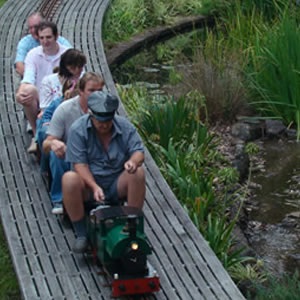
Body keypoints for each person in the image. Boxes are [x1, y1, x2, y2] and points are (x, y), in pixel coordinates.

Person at [62, 91, 146, 253]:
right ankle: (81, 234)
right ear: (91, 115)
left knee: (138, 173)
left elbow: (138, 152)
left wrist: (132, 162)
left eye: (108, 121)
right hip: (88, 184)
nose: (104, 125)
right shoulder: (78, 129)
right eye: (100, 121)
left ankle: (132, 226)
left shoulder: (125, 127)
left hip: (115, 183)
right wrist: (94, 186)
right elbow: (80, 165)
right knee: (69, 179)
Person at [42, 72, 104, 214]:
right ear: (81, 91)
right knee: (55, 153)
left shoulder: (105, 109)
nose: (96, 95)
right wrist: (54, 144)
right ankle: (59, 198)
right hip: (70, 154)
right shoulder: (65, 109)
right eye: (91, 91)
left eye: (99, 91)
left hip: (94, 154)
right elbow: (46, 143)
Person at [16, 21, 70, 152]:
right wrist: (20, 94)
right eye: (42, 38)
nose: (45, 41)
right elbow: (28, 78)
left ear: (56, 36)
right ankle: (36, 135)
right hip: (42, 97)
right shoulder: (33, 54)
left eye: (48, 37)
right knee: (27, 91)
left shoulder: (68, 54)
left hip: (62, 96)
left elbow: (79, 77)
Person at [15, 12, 71, 77]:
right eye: (30, 28)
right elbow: (19, 66)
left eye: (36, 27)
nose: (33, 30)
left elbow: (74, 60)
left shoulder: (62, 42)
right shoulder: (25, 42)